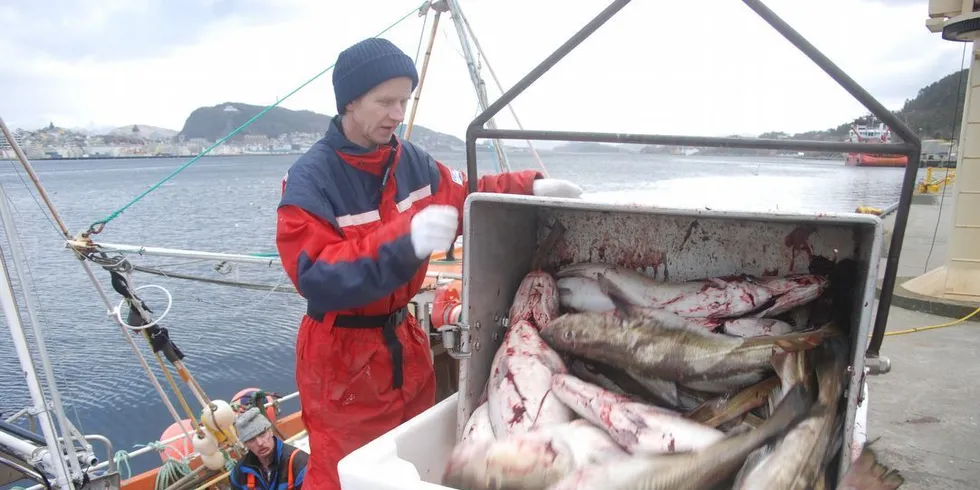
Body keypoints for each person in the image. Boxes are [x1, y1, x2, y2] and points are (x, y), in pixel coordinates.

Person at [274, 37, 583, 490]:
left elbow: (466, 191)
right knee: (346, 472)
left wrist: (528, 186)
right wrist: (405, 240)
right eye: (385, 101)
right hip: (342, 361)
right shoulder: (310, 180)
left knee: (413, 466)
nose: (398, 114)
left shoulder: (410, 161)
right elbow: (315, 274)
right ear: (350, 102)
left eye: (404, 101)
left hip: (406, 343)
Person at [229, 407, 309, 490]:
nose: (260, 443)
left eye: (262, 434)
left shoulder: (299, 462)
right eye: (251, 439)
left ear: (271, 431)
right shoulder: (239, 472)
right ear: (245, 444)